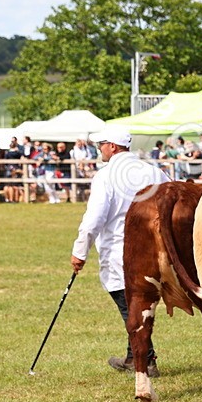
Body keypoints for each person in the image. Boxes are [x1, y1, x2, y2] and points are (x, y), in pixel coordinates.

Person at [70, 126, 170, 375]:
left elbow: (94, 219)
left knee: (130, 306)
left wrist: (79, 251)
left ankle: (145, 359)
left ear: (112, 146)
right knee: (138, 303)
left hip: (121, 252)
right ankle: (131, 356)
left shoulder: (106, 176)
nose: (99, 150)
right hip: (158, 252)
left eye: (100, 145)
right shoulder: (155, 172)